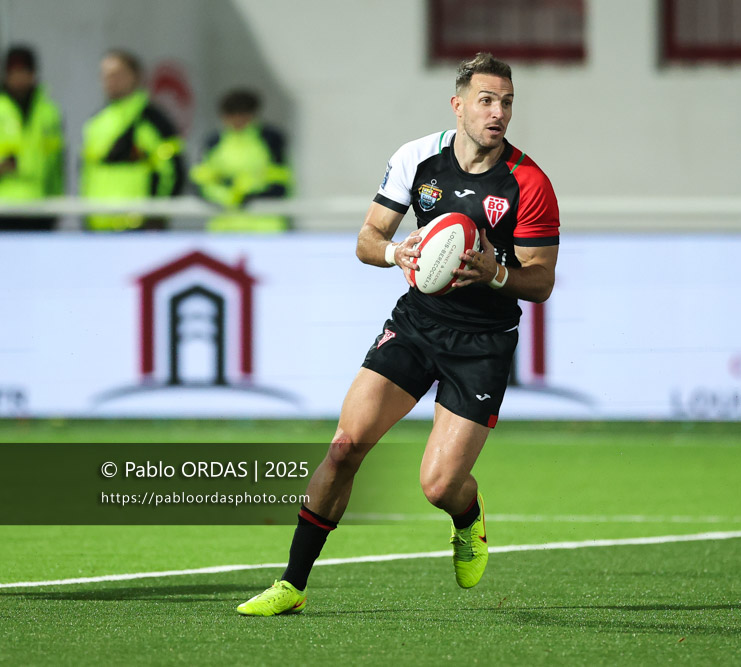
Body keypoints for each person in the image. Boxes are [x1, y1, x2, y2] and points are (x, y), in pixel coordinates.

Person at [237, 52, 559, 616]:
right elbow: (367, 239)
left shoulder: (529, 183)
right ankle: (291, 584)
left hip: (483, 342)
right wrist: (395, 252)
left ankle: (468, 516)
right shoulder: (417, 159)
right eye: (486, 100)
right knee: (343, 447)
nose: (498, 112)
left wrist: (497, 272)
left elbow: (541, 281)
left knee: (437, 485)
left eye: (507, 102)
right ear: (457, 105)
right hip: (416, 323)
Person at [79, 49, 185, 231]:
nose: (110, 80)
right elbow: (86, 173)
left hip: (138, 228)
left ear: (136, 76)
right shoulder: (95, 122)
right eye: (105, 75)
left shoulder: (153, 120)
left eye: (117, 74)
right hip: (97, 228)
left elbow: (173, 172)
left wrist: (157, 216)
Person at [190, 88, 292, 232]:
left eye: (242, 114)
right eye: (232, 115)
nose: (237, 120)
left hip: (264, 225)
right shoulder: (214, 142)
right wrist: (226, 195)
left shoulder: (270, 139)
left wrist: (251, 196)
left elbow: (280, 182)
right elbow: (200, 181)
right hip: (225, 225)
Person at [0, 45, 64, 231]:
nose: (19, 77)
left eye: (24, 71)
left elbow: (57, 163)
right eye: (14, 72)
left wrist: (57, 203)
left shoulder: (49, 112)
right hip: (4, 206)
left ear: (33, 73)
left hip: (40, 207)